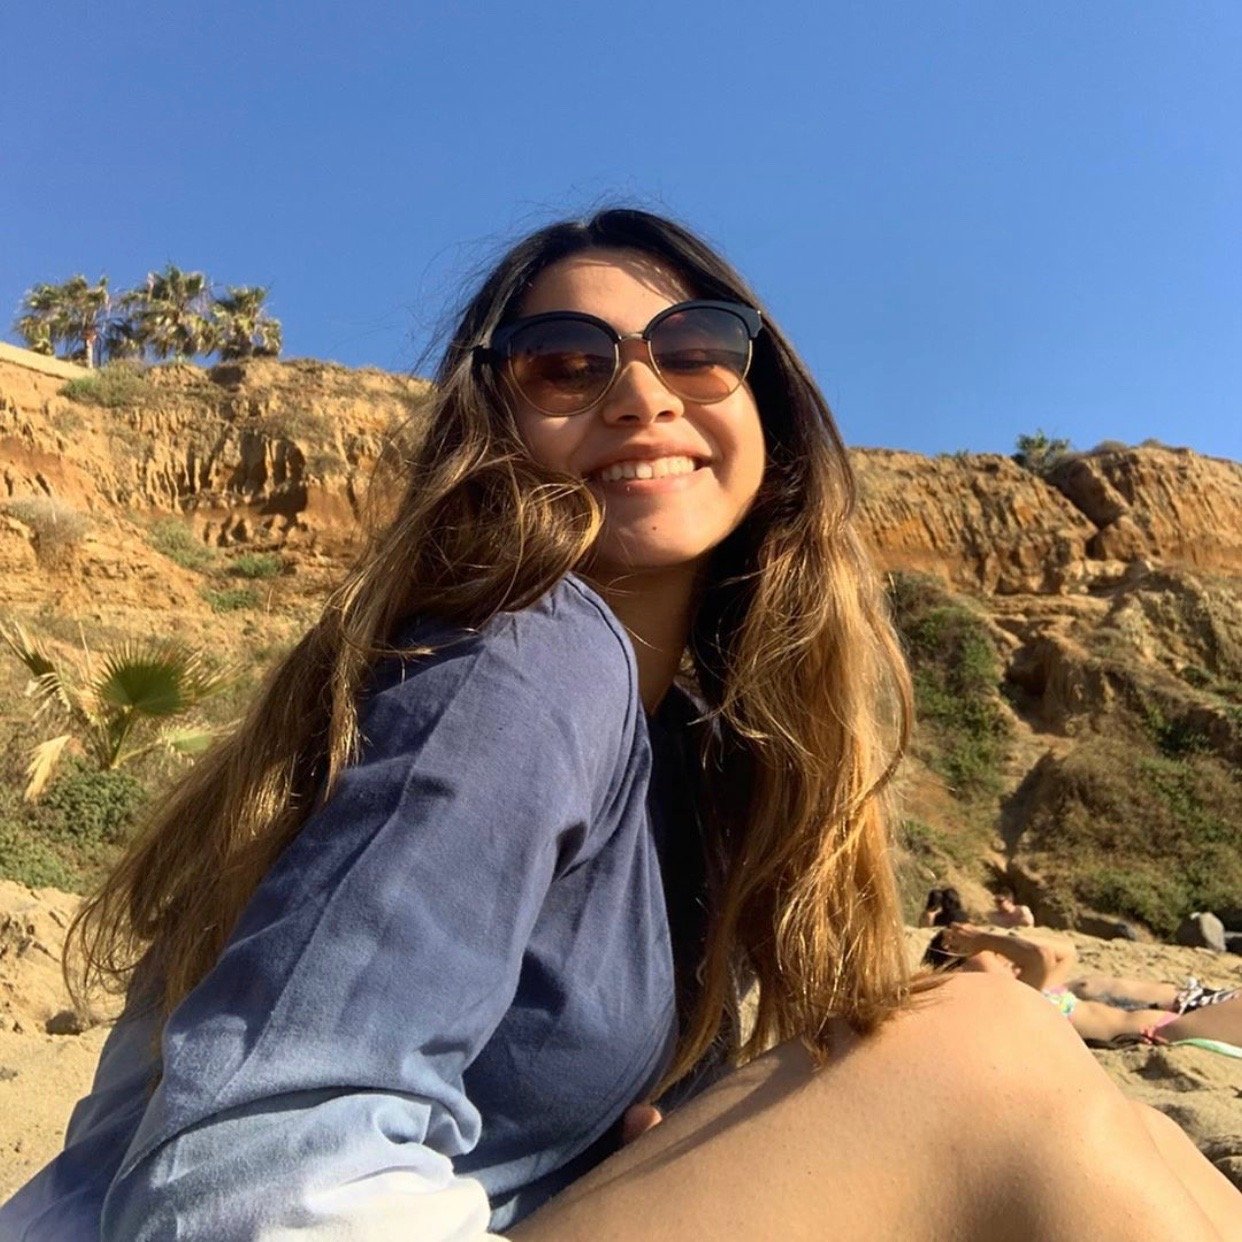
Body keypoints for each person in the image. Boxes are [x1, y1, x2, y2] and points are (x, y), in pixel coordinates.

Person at [4, 209, 1239, 1240]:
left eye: (697, 348)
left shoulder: (698, 762)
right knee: (979, 1048)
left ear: (767, 402)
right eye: (565, 361)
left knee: (986, 1031)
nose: (641, 394)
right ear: (497, 422)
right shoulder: (524, 661)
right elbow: (254, 1167)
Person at [927, 924, 1242, 1047]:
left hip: (1165, 1025)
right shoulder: (1012, 1001)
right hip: (1158, 1034)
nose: (1000, 955)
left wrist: (991, 937)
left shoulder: (1037, 991)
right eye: (984, 955)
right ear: (962, 972)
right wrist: (981, 940)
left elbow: (1065, 951)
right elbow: (1038, 957)